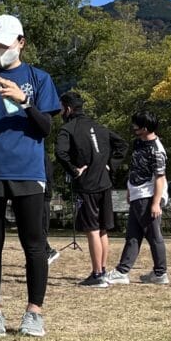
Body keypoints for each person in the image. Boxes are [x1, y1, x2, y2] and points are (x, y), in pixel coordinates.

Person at [0, 14, 62, 338]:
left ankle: (34, 312)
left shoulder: (39, 77)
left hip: (28, 172)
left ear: (21, 43)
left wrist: (24, 100)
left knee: (34, 245)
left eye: (4, 45)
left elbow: (45, 128)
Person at [54, 92, 126, 288]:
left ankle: (97, 275)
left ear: (67, 109)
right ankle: (102, 270)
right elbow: (121, 144)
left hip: (87, 185)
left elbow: (60, 152)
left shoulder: (68, 129)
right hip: (104, 183)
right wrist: (110, 165)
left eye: (61, 108)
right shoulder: (100, 127)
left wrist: (74, 171)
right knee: (103, 229)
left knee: (92, 229)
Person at [105, 111, 170, 285]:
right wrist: (129, 189)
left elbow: (160, 178)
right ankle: (122, 271)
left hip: (147, 196)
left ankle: (160, 272)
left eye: (136, 125)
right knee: (133, 235)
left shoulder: (157, 151)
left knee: (153, 235)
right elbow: (134, 168)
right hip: (137, 194)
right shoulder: (138, 143)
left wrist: (156, 203)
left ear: (145, 128)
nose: (133, 127)